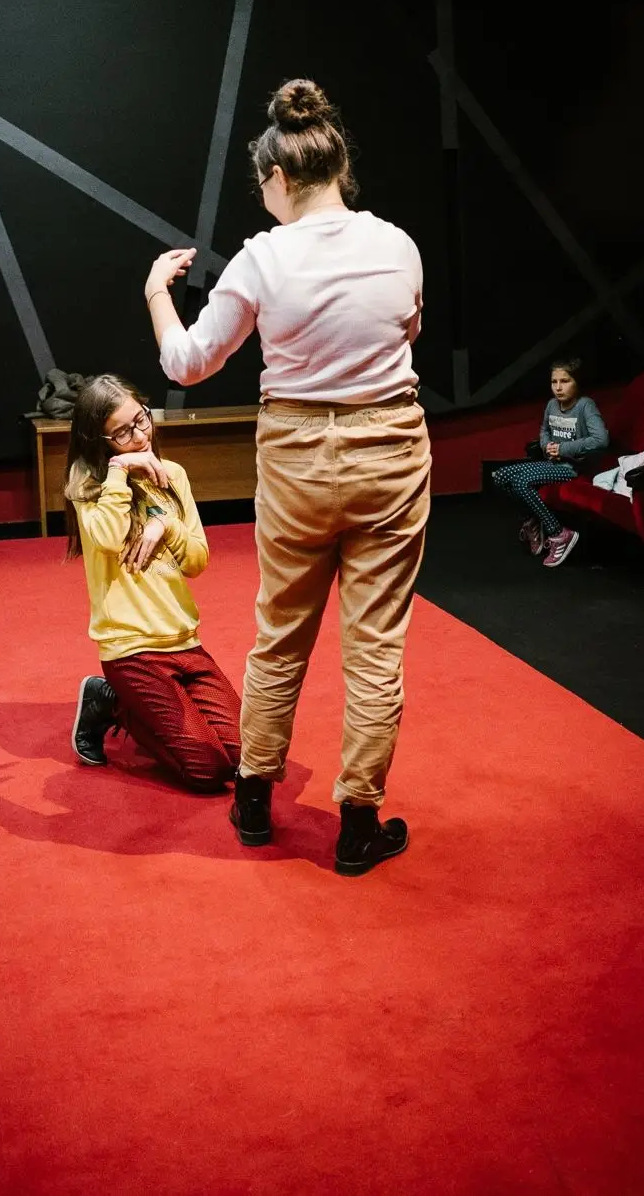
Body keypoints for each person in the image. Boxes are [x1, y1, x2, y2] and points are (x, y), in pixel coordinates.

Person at [142, 77, 431, 877]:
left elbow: (187, 364)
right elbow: (406, 329)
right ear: (339, 167)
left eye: (260, 186)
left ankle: (253, 798)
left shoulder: (260, 258)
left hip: (297, 458)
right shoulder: (398, 245)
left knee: (279, 636)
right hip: (389, 450)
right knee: (375, 648)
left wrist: (156, 293)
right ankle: (357, 822)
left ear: (277, 176)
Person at [63, 373, 241, 792]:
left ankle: (128, 702)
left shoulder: (174, 475)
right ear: (99, 441)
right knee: (207, 769)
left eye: (141, 419)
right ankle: (114, 703)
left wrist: (166, 526)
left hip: (185, 641)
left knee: (245, 756)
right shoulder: (86, 481)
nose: (140, 436)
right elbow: (108, 538)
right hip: (132, 648)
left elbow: (197, 561)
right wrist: (120, 470)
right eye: (122, 433)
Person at [491, 358, 609, 568]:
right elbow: (544, 431)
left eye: (565, 381)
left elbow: (601, 439)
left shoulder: (585, 406)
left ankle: (559, 533)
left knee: (521, 482)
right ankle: (533, 521)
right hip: (552, 464)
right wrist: (547, 447)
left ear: (576, 382)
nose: (558, 387)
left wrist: (563, 449)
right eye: (554, 382)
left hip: (572, 468)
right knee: (500, 476)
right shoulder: (551, 405)